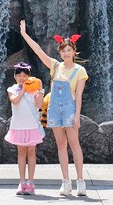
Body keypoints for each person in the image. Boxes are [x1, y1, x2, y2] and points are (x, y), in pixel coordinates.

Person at [20, 20, 89, 197]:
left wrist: (76, 115)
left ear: (74, 51)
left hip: (69, 108)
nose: (66, 53)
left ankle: (80, 181)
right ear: (60, 52)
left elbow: (79, 95)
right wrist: (24, 34)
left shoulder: (80, 70)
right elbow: (38, 51)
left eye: (69, 50)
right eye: (63, 50)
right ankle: (66, 182)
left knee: (74, 144)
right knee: (61, 144)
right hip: (53, 108)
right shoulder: (55, 66)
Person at [4, 62, 44, 195]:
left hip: (31, 126)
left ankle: (31, 182)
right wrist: (23, 90)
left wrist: (40, 90)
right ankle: (22, 183)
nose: (22, 78)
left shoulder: (34, 91)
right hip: (18, 126)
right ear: (15, 77)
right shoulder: (12, 89)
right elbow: (15, 101)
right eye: (19, 75)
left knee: (32, 153)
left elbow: (40, 105)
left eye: (25, 75)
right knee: (21, 153)